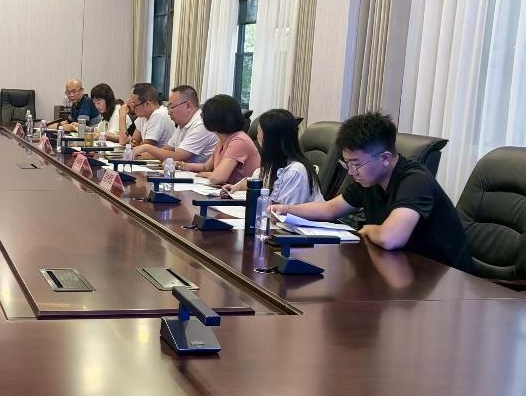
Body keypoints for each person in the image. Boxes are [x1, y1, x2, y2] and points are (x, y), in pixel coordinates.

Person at [271, 112, 475, 273]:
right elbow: (330, 209)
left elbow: (390, 238)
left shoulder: (415, 181)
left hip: (445, 278)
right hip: (403, 267)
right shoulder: (370, 179)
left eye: (356, 164)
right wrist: (286, 209)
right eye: (347, 163)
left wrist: (369, 229)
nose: (351, 172)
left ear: (385, 158)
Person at [221, 109, 322, 204]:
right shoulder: (272, 166)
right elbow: (255, 180)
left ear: (270, 140)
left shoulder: (295, 172)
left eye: (259, 133)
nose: (257, 137)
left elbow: (283, 211)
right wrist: (235, 188)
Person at [177, 94, 259, 185]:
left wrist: (211, 174)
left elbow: (217, 178)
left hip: (241, 193)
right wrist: (179, 165)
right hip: (227, 190)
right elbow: (205, 167)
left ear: (215, 118)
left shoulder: (239, 141)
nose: (201, 116)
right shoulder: (222, 139)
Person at [131, 85, 216, 162]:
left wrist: (147, 148)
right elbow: (166, 150)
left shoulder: (201, 124)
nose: (169, 112)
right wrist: (137, 156)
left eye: (172, 107)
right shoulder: (182, 125)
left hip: (197, 174)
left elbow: (178, 156)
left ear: (188, 106)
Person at [127, 83, 174, 148]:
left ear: (147, 103)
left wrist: (138, 144)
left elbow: (144, 148)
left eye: (135, 104)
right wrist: (137, 144)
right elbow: (134, 141)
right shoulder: (143, 115)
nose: (133, 107)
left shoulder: (159, 115)